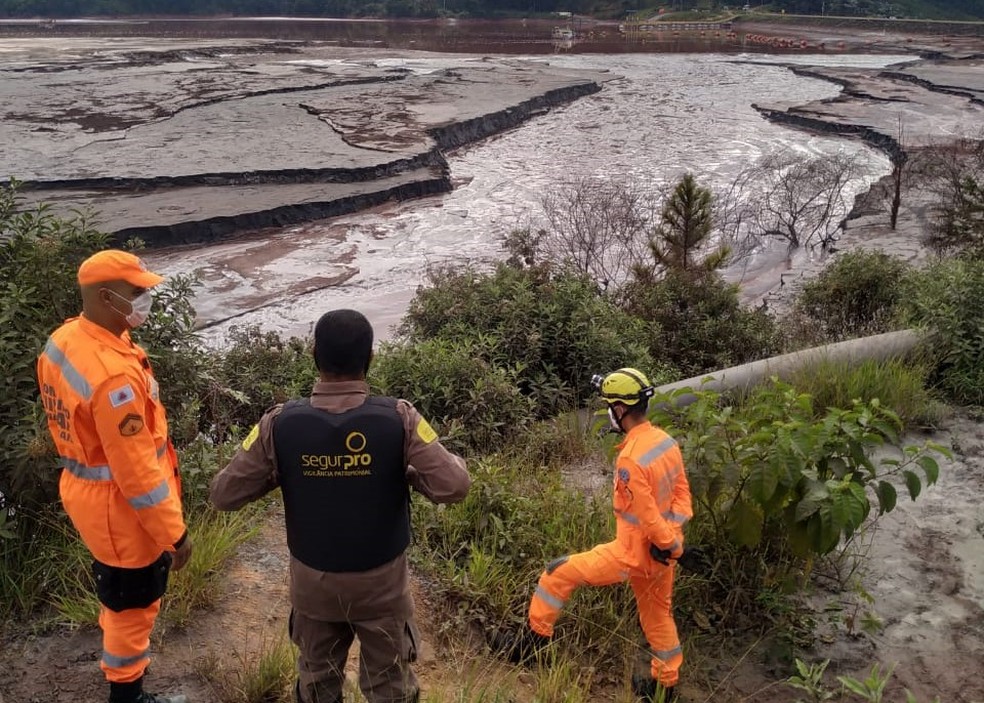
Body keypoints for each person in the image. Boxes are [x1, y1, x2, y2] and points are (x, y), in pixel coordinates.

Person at [209, 308, 471, 703]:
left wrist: (276, 476)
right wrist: (410, 476)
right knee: (390, 687)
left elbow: (223, 495)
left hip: (314, 589)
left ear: (314, 355)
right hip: (381, 589)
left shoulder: (278, 424)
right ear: (371, 358)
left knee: (316, 683)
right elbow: (455, 485)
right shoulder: (399, 418)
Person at [36, 249, 192, 703]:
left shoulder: (64, 340)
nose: (146, 299)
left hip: (88, 495)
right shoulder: (112, 377)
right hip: (121, 513)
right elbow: (138, 472)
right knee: (134, 607)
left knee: (117, 595)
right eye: (137, 292)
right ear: (107, 296)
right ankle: (128, 696)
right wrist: (175, 535)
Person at [502, 368, 694, 703]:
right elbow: (681, 497)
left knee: (555, 573)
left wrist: (669, 544)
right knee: (657, 615)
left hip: (632, 554)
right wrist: (673, 541)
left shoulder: (631, 459)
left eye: (609, 405)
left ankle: (533, 644)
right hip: (660, 557)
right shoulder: (666, 442)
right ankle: (666, 687)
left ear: (620, 410)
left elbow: (647, 516)